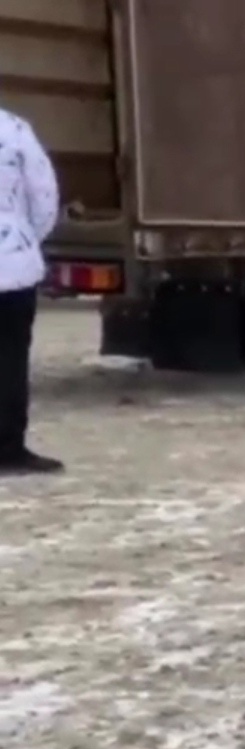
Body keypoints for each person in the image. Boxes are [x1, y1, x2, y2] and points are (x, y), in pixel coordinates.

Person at [0, 105, 62, 475]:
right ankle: (7, 448)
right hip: (11, 266)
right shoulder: (14, 129)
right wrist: (24, 240)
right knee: (9, 359)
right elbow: (44, 196)